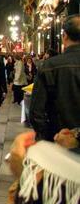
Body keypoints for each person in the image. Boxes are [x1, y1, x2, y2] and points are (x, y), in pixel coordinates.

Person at [30, 14, 80, 142]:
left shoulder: (50, 66)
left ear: (65, 37)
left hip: (58, 142)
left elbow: (36, 112)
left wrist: (49, 137)